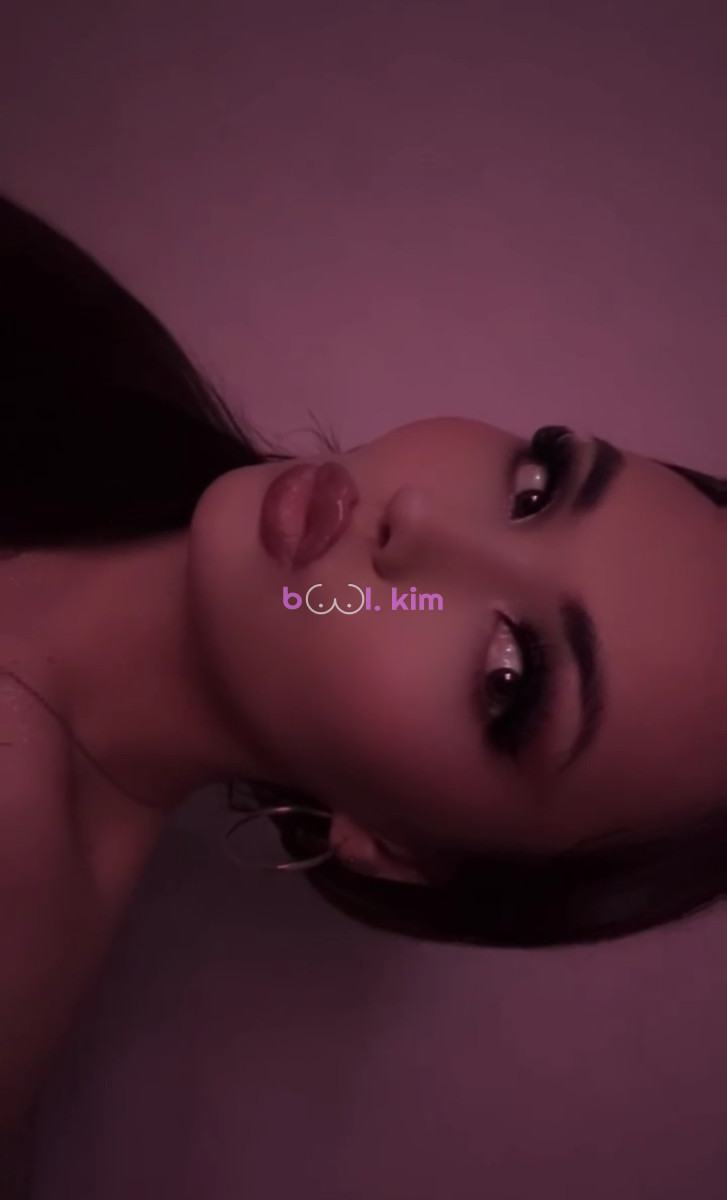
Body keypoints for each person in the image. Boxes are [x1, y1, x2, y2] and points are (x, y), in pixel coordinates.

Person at [0, 191, 724, 1130]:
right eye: (536, 489)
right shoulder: (78, 349)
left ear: (394, 848)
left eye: (509, 676)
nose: (418, 522)